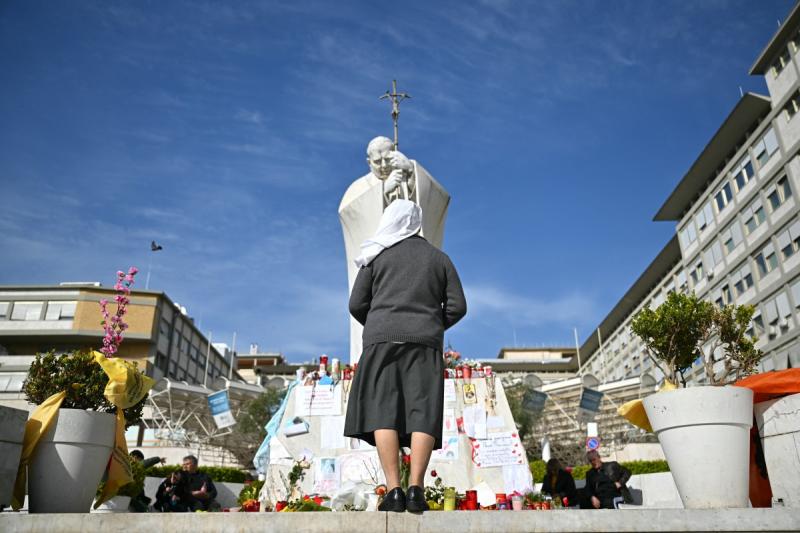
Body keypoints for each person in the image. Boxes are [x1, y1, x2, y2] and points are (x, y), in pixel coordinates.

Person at [343, 199, 467, 513]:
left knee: (383, 412)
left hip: (381, 343)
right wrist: (429, 325)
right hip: (425, 344)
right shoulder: (439, 259)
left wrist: (381, 323)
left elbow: (357, 304)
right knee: (422, 413)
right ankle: (416, 489)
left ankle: (394, 490)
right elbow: (458, 306)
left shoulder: (375, 255)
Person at [339, 136, 451, 364]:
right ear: (368, 161)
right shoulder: (360, 188)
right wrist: (381, 191)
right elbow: (349, 214)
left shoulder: (409, 174)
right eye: (376, 161)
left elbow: (439, 200)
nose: (381, 166)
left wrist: (412, 175)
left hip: (414, 278)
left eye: (386, 159)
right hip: (381, 281)